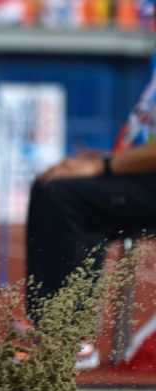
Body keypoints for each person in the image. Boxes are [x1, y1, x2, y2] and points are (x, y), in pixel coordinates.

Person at [24, 51, 156, 370]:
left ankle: (72, 337)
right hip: (143, 178)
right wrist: (103, 159)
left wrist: (103, 166)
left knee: (64, 197)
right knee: (48, 184)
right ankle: (50, 323)